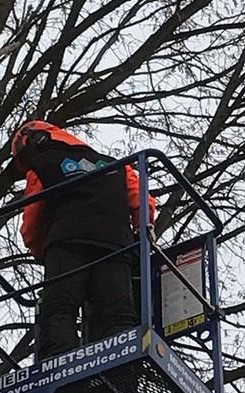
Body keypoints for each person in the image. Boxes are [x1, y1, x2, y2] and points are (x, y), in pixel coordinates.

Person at [11, 120, 156, 359]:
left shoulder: (41, 164)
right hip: (115, 246)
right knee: (117, 315)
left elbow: (32, 218)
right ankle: (123, 377)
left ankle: (60, 376)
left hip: (67, 242)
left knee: (60, 309)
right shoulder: (117, 165)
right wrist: (142, 232)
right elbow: (143, 201)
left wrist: (40, 250)